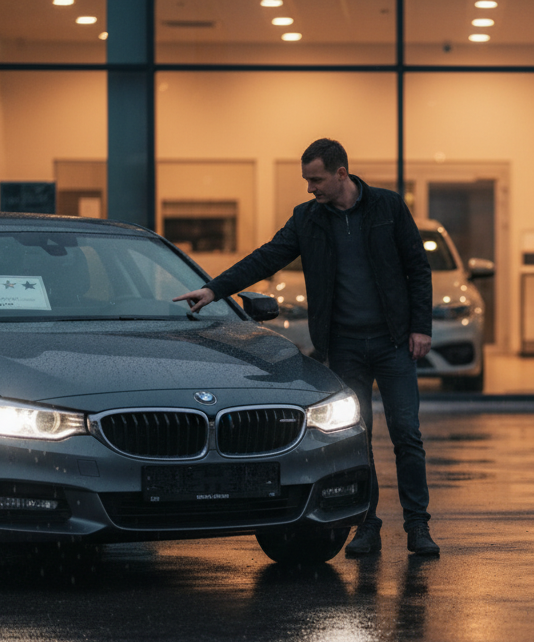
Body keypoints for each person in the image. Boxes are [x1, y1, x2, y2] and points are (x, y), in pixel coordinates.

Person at [172, 138, 439, 557]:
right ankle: (367, 525)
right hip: (344, 346)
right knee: (359, 440)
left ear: (341, 174)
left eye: (315, 180)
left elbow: (417, 270)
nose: (310, 188)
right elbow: (266, 258)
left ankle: (418, 527)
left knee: (407, 434)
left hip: (392, 343)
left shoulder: (388, 208)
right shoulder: (308, 219)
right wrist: (214, 289)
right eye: (306, 180)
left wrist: (420, 328)